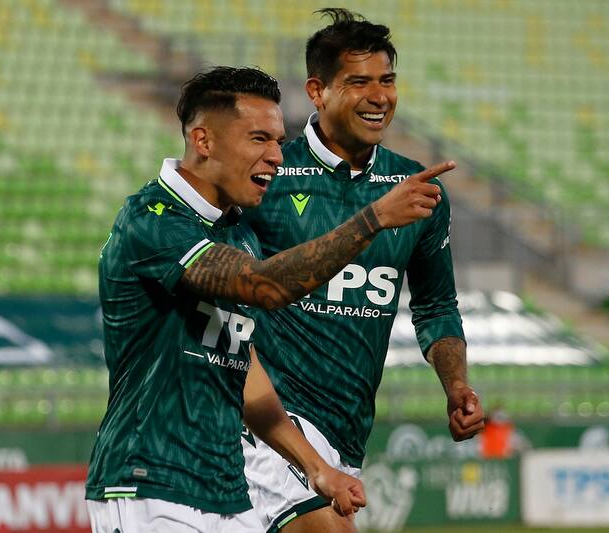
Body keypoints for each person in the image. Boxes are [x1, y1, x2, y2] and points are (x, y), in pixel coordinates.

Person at [85, 66, 454, 532]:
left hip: (226, 491)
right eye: (259, 139)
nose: (277, 156)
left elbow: (245, 373)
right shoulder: (152, 220)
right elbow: (265, 286)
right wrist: (372, 219)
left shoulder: (237, 231)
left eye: (279, 140)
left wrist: (316, 467)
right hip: (151, 481)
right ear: (204, 141)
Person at [241, 9, 486, 532]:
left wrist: (456, 385)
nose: (379, 97)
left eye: (387, 81)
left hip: (348, 430)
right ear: (317, 90)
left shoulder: (417, 190)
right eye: (359, 82)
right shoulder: (269, 174)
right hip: (272, 420)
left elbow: (437, 306)